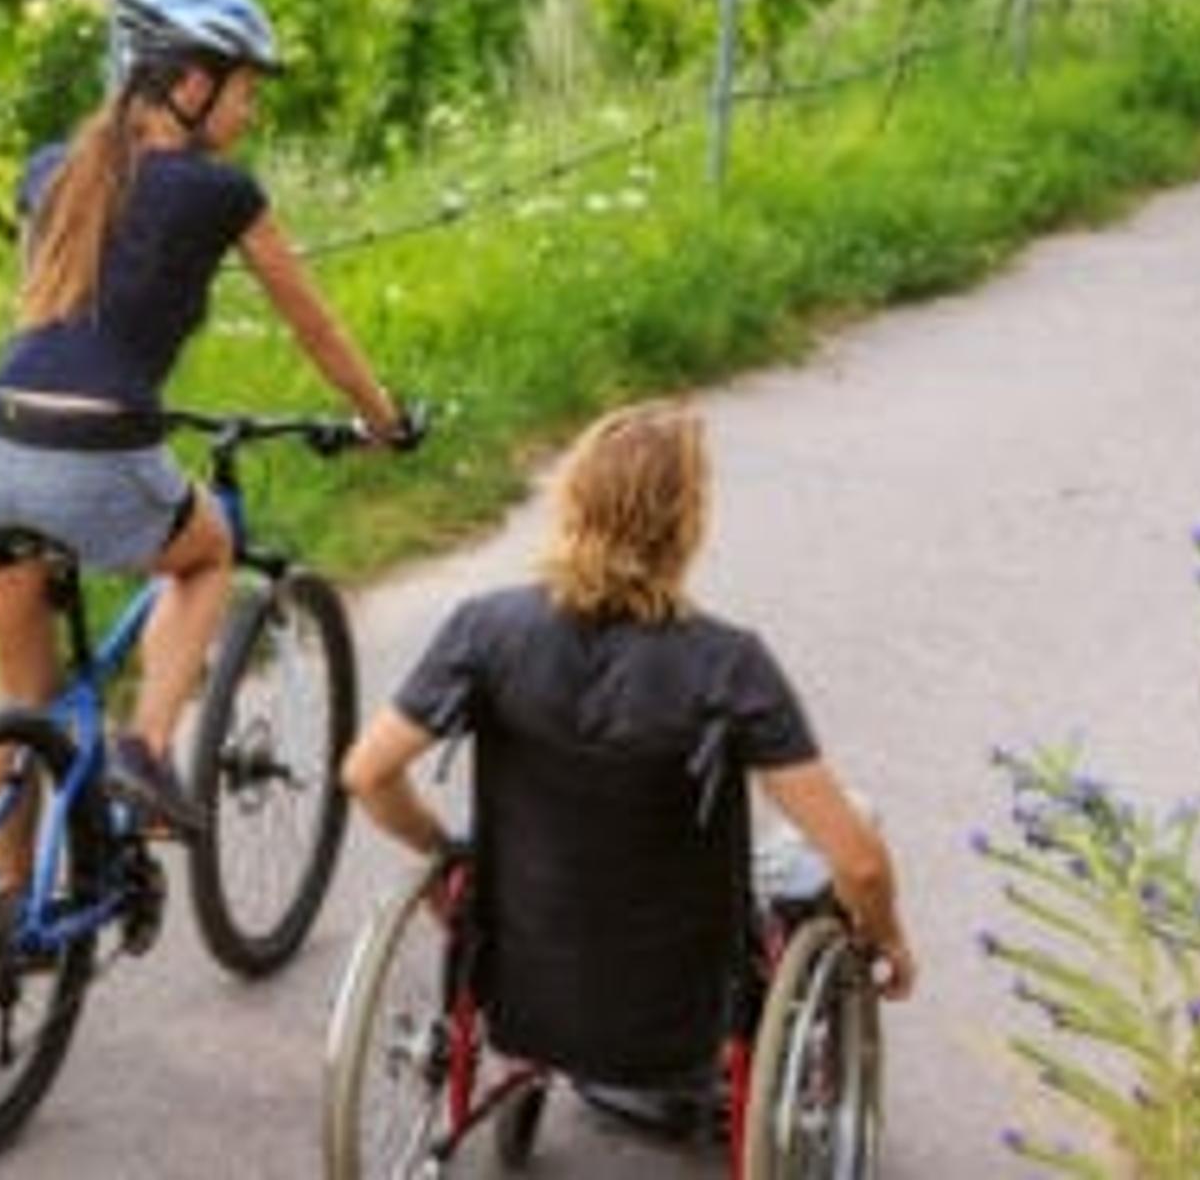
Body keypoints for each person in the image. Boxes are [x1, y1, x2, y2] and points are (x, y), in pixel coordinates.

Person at [340, 397, 913, 1102]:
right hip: (681, 1011)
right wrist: (887, 939)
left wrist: (447, 856)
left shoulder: (485, 631)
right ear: (689, 522)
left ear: (572, 499)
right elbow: (855, 861)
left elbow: (366, 773)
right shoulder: (728, 666)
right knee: (853, 819)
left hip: (523, 983)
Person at [0, 0, 412, 833]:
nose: (251, 112)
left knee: (17, 696)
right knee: (208, 553)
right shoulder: (220, 191)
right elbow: (316, 327)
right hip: (97, 447)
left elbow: (56, 322)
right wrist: (382, 418)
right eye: (245, 89)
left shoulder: (51, 172)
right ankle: (148, 753)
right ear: (190, 86)